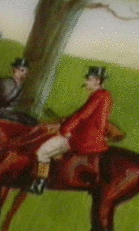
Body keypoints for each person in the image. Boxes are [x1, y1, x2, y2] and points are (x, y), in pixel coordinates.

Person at [31, 65, 112, 194]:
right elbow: (85, 116)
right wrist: (65, 121)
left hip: (85, 139)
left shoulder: (98, 96)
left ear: (97, 81)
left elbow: (82, 115)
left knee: (43, 151)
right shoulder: (105, 95)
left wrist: (65, 129)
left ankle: (40, 183)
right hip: (93, 135)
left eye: (89, 79)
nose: (86, 82)